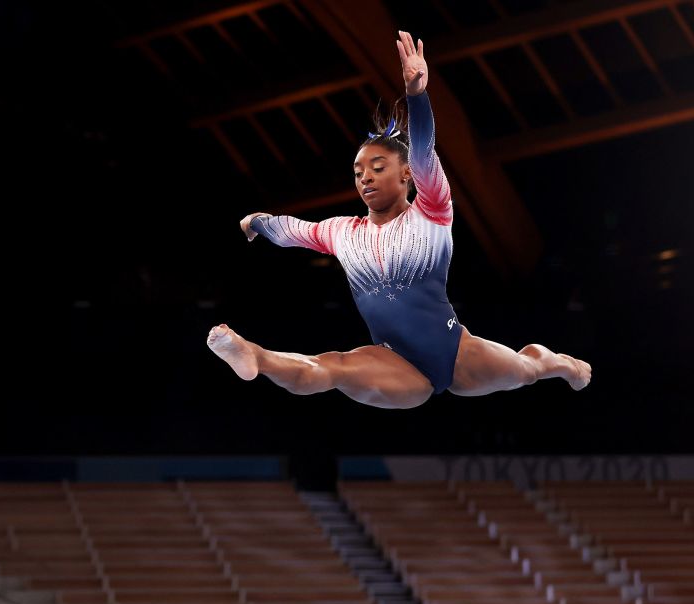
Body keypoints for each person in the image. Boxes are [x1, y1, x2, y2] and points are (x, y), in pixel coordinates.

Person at [208, 31, 591, 409]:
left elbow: (423, 149)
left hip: (456, 352)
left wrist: (417, 95)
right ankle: (254, 355)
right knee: (333, 367)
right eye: (358, 173)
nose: (366, 178)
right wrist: (257, 221)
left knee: (527, 368)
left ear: (407, 174)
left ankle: (560, 363)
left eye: (377, 167)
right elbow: (291, 230)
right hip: (393, 362)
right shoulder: (342, 232)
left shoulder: (433, 210)